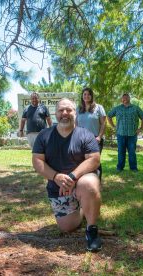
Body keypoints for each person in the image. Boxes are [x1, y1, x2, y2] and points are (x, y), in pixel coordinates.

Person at [32, 98, 103, 252]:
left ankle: (91, 230)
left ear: (75, 113)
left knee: (88, 185)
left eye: (69, 110)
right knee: (67, 227)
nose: (65, 113)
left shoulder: (85, 134)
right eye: (61, 110)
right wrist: (56, 177)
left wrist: (72, 177)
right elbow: (37, 160)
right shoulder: (44, 135)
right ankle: (85, 207)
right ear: (55, 114)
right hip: (57, 187)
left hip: (81, 181)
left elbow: (95, 159)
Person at [107, 93, 143, 172]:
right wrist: (113, 126)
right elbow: (109, 116)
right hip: (120, 134)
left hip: (132, 134)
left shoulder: (136, 108)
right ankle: (120, 167)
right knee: (121, 151)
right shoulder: (117, 108)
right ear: (121, 99)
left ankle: (133, 168)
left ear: (129, 98)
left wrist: (141, 128)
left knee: (132, 152)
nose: (125, 98)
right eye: (123, 97)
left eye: (126, 97)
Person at [76, 87, 106, 179]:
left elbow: (103, 123)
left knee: (95, 161)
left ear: (92, 96)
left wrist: (99, 137)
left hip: (95, 139)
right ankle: (85, 180)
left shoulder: (99, 107)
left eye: (89, 94)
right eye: (84, 94)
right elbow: (76, 124)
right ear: (82, 96)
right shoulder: (78, 109)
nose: (86, 96)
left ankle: (97, 181)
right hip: (81, 139)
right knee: (82, 161)